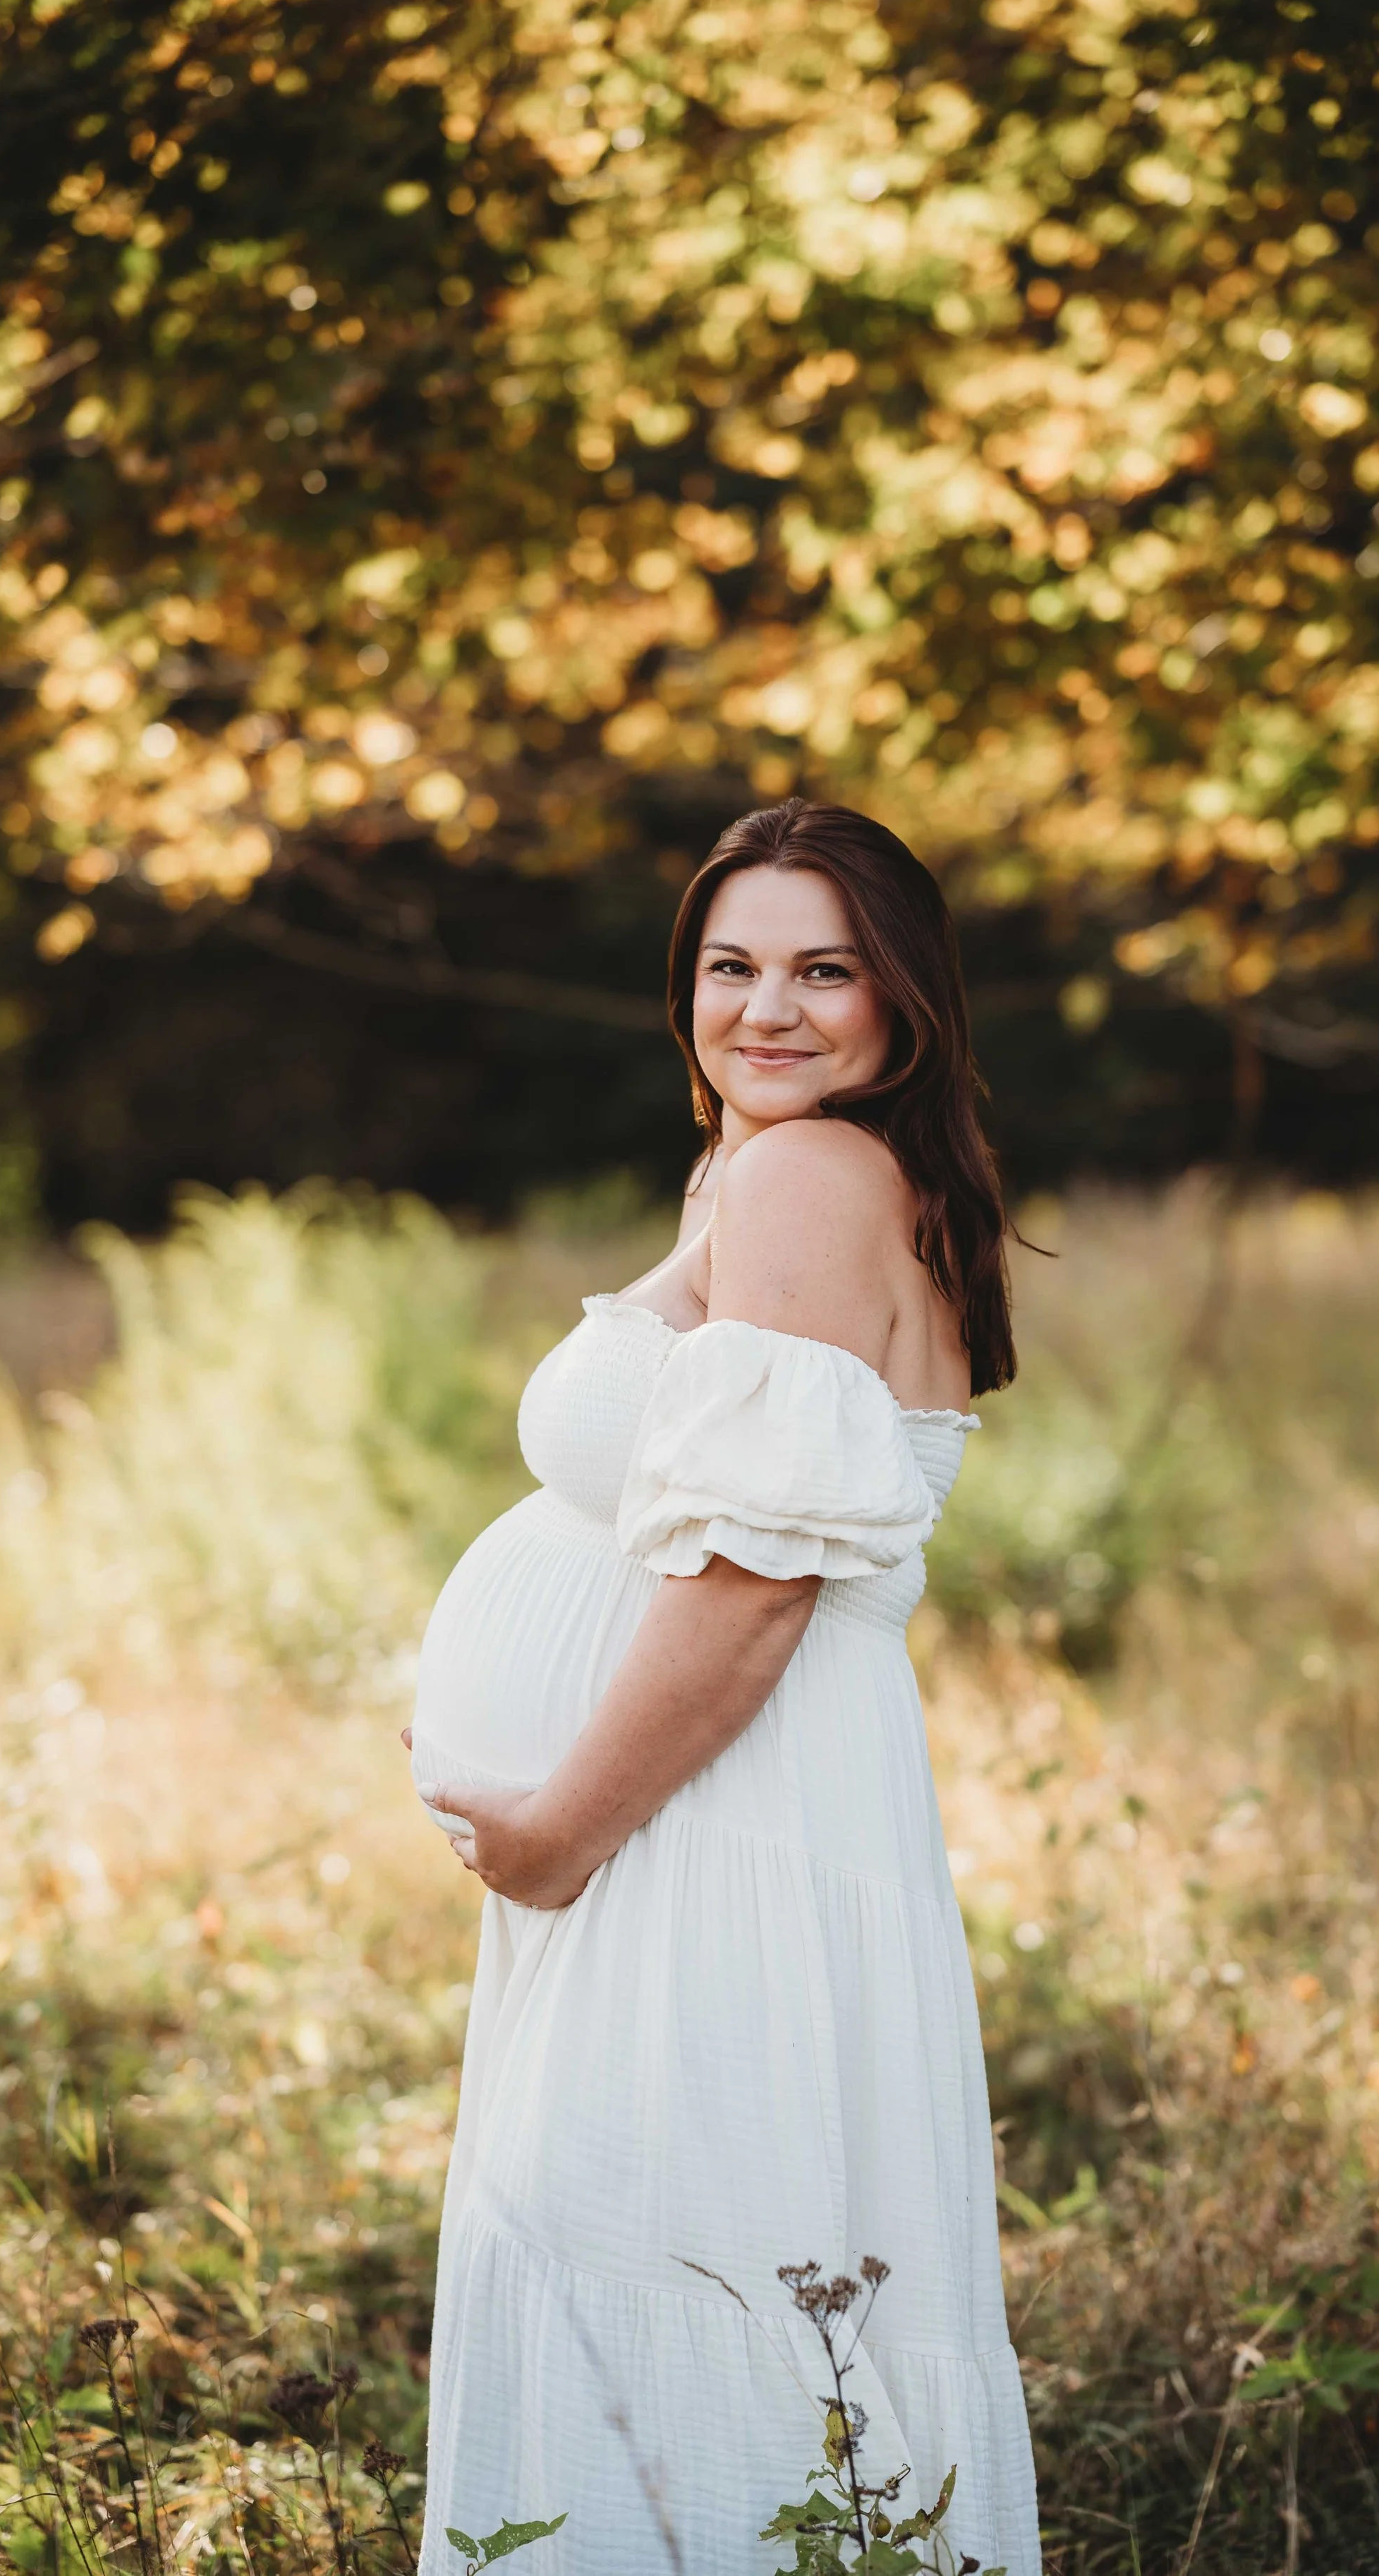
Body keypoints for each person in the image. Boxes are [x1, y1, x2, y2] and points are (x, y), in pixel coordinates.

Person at [404, 799, 1040, 2573]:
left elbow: (756, 1583)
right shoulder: (791, 1167)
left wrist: (551, 1831)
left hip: (698, 1825)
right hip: (716, 1816)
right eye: (729, 965)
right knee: (703, 2268)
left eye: (823, 969)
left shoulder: (804, 1174)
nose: (766, 1008)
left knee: (658, 2267)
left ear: (902, 997)